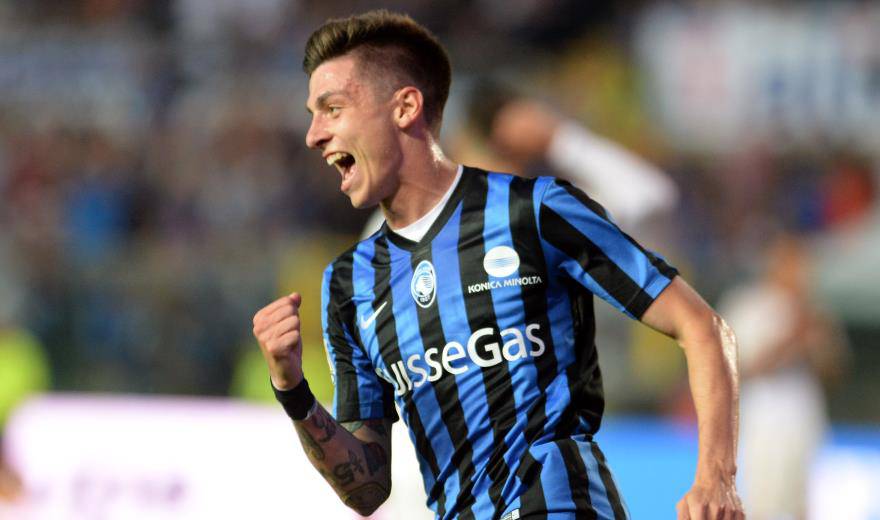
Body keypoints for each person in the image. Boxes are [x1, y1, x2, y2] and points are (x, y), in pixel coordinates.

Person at [252, 10, 743, 520]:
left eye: (333, 109)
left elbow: (701, 324)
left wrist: (716, 477)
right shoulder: (349, 282)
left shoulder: (535, 211)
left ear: (405, 107)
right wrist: (292, 389)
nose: (313, 135)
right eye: (313, 114)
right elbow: (367, 488)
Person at [720, 234, 847, 520]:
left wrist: (816, 342)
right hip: (763, 422)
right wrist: (791, 340)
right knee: (761, 504)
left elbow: (834, 372)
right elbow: (740, 369)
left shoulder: (814, 310)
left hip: (804, 419)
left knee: (803, 505)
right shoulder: (748, 305)